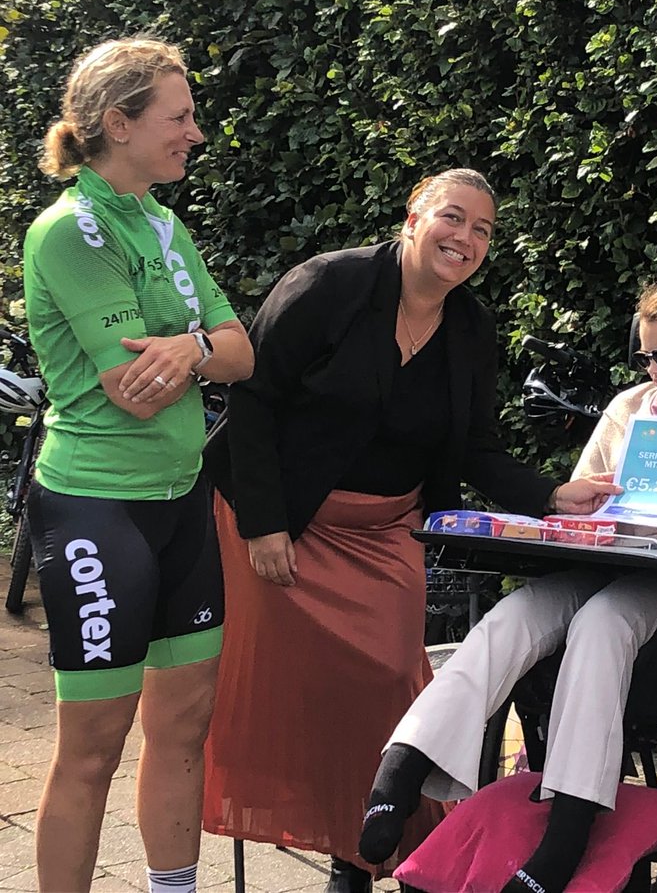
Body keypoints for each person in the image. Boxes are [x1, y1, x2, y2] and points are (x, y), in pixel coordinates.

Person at [201, 167, 620, 892]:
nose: (465, 238)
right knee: (290, 696)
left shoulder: (473, 327)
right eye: (452, 217)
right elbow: (255, 400)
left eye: (482, 229)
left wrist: (553, 493)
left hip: (385, 533)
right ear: (413, 217)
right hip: (281, 526)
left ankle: (362, 849)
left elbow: (476, 449)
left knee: (390, 682)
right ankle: (335, 848)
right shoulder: (328, 284)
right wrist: (266, 526)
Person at [356, 277, 657, 892]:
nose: (652, 368)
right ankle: (400, 770)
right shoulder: (629, 408)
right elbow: (583, 501)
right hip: (607, 557)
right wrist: (578, 511)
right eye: (645, 355)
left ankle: (570, 824)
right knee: (515, 614)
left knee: (604, 622)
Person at [20, 38, 254, 893]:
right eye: (179, 116)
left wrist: (189, 347)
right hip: (96, 511)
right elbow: (135, 391)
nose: (196, 132)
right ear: (118, 125)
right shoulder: (67, 232)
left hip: (181, 504)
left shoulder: (161, 223)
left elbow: (242, 353)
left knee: (185, 725)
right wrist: (202, 352)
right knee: (94, 746)